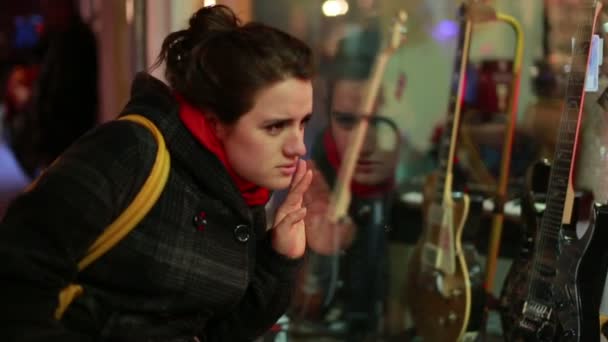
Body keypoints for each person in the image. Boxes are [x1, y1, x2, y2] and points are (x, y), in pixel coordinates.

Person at [0, 5, 319, 341]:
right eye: (275, 126)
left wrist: (281, 258)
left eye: (303, 123)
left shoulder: (241, 194)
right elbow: (15, 279)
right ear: (215, 122)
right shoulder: (131, 150)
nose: (297, 146)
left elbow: (220, 331)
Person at [289, 25, 421, 341]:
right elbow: (294, 312)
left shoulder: (424, 193)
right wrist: (316, 250)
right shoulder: (303, 183)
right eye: (347, 121)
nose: (364, 144)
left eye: (382, 122)